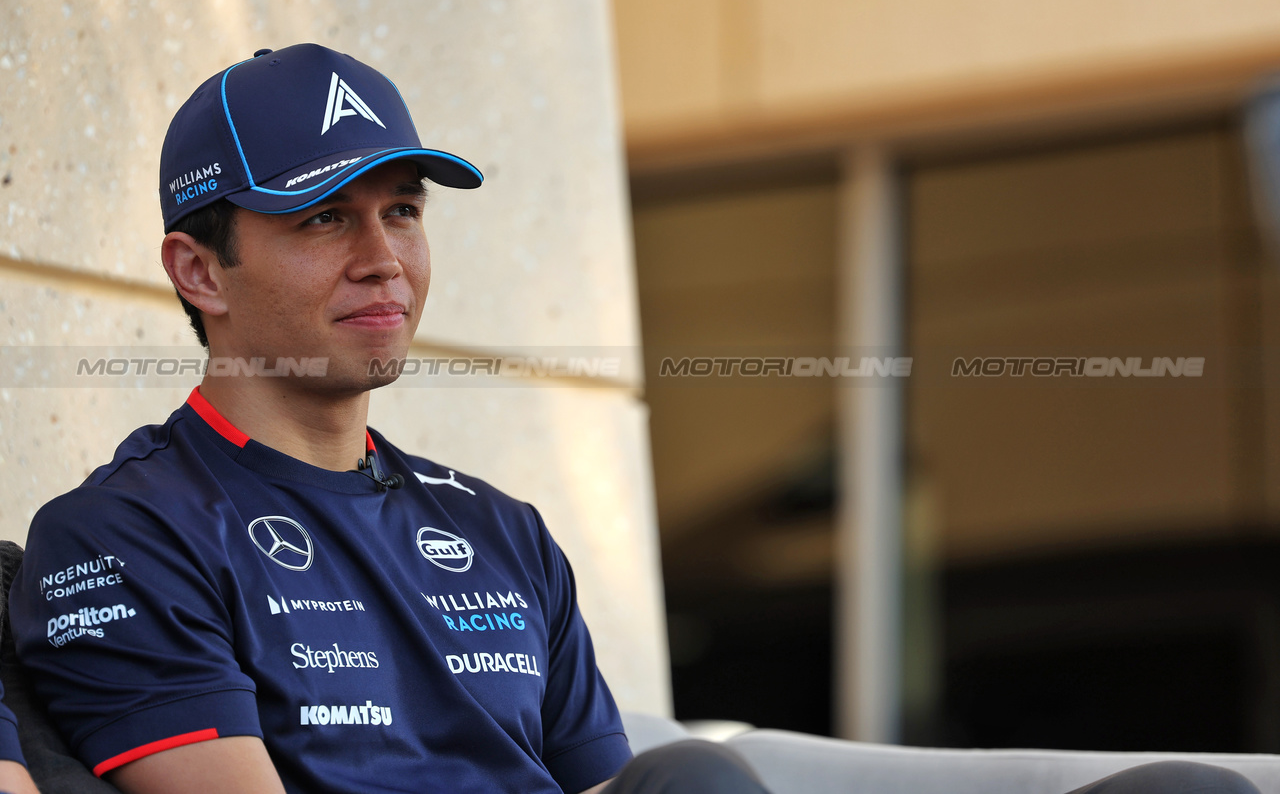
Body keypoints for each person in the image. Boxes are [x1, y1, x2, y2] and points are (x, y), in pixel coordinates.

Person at [0, 44, 1262, 794]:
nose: (384, 257)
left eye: (405, 212)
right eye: (324, 216)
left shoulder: (497, 530)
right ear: (199, 270)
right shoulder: (122, 537)